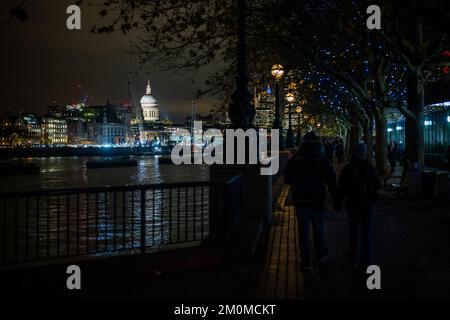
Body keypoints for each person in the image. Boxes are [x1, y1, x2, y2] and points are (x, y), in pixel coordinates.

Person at [284, 132, 337, 270]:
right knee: (318, 228)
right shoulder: (322, 158)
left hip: (301, 199)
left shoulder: (296, 159)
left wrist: (297, 183)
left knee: (303, 231)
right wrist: (336, 198)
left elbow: (287, 178)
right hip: (317, 199)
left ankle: (305, 259)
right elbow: (331, 179)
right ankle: (320, 255)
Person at [335, 143, 380, 269]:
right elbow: (377, 185)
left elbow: (341, 189)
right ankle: (366, 260)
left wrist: (338, 204)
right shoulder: (370, 169)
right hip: (368, 205)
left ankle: (353, 258)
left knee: (353, 233)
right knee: (366, 234)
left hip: (353, 204)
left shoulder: (347, 169)